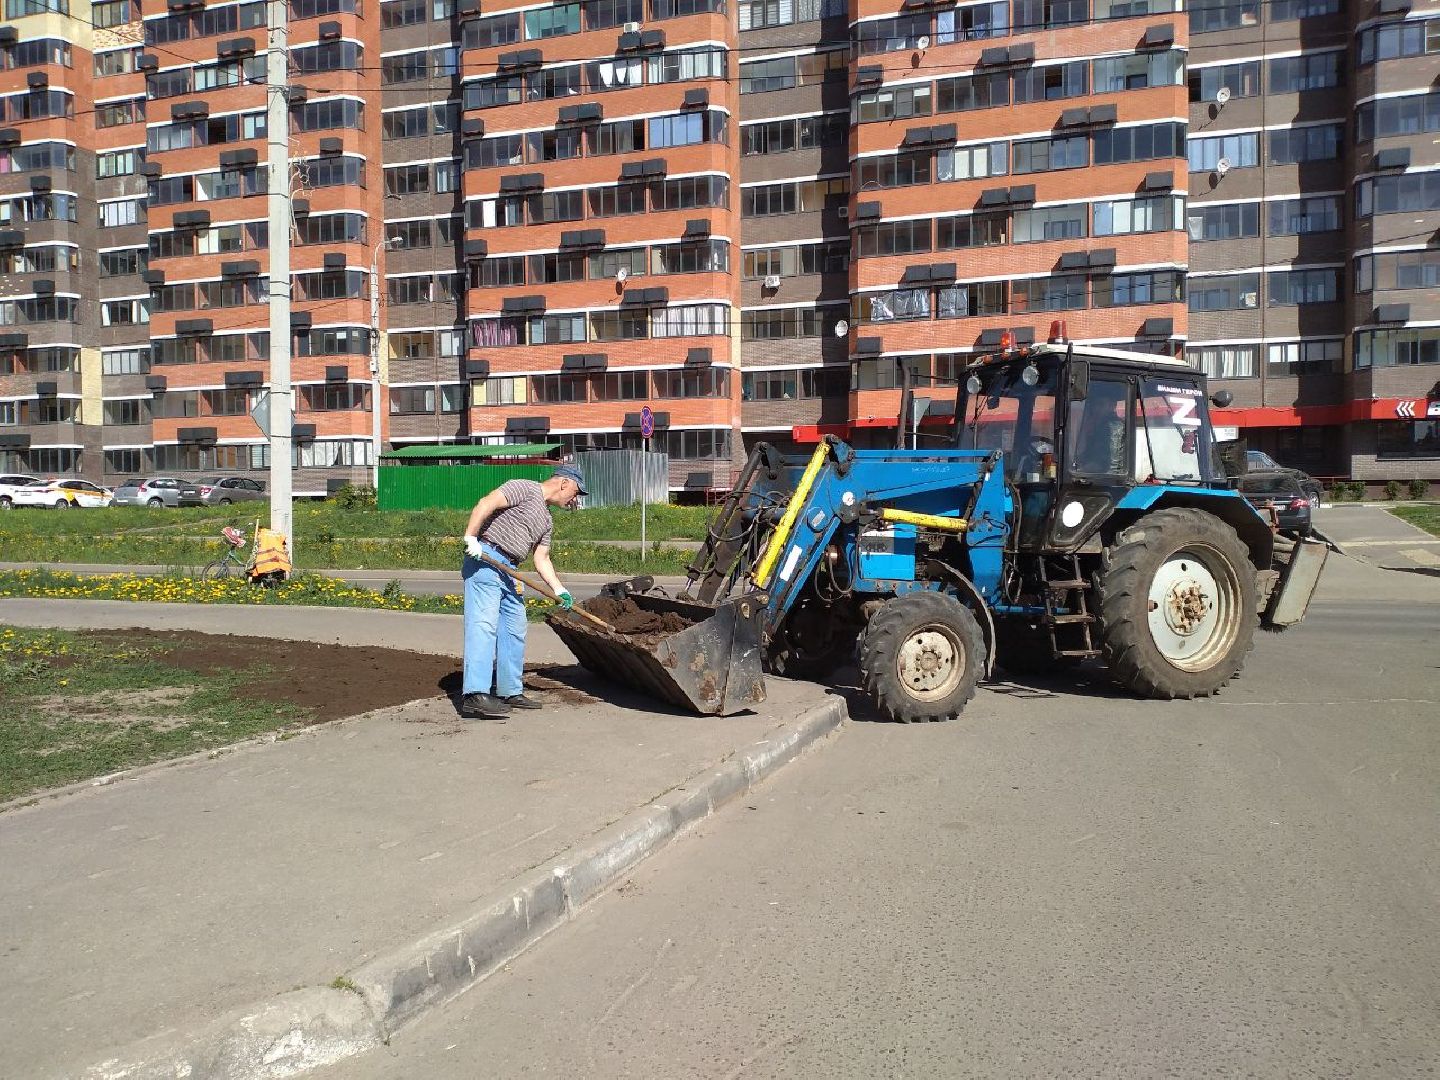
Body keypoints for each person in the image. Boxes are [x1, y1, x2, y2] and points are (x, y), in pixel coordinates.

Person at [459, 465, 585, 720]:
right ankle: (475, 694)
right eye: (575, 492)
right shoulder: (524, 488)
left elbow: (542, 558)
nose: (575, 499)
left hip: (510, 569)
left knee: (514, 629)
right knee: (483, 625)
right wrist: (471, 538)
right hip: (486, 558)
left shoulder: (547, 520)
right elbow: (486, 503)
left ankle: (509, 690)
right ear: (564, 483)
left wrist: (559, 589)